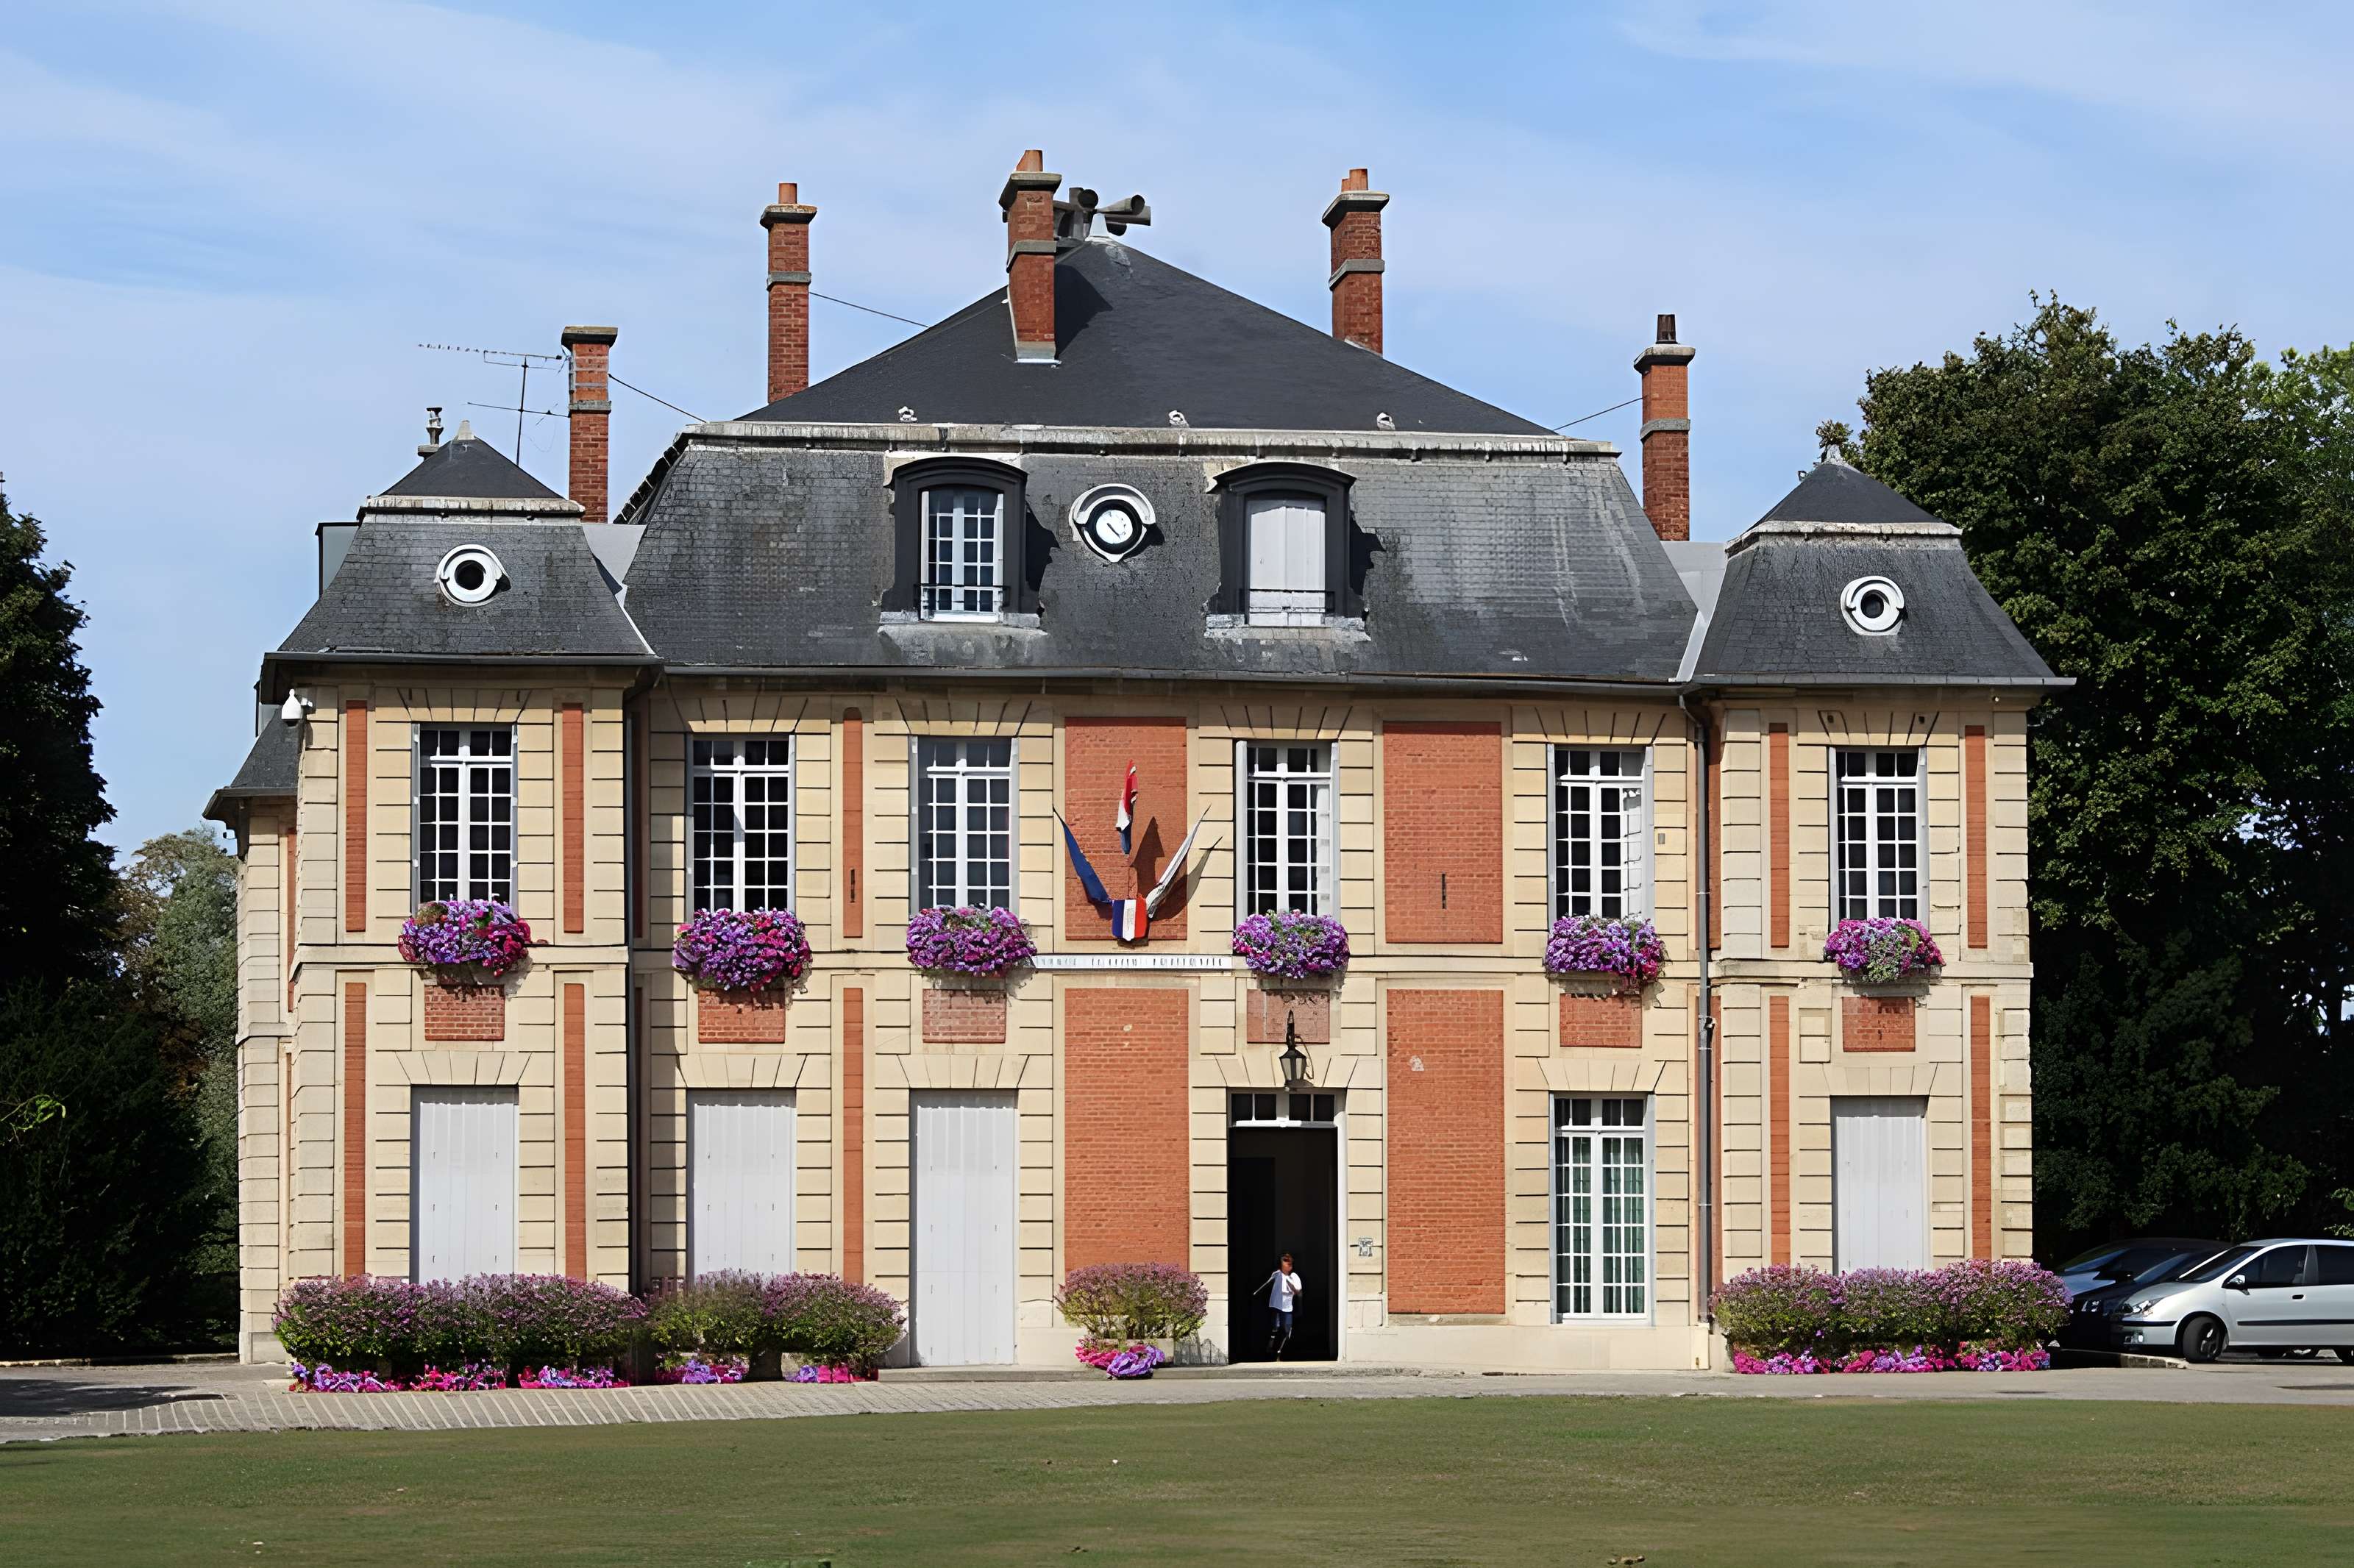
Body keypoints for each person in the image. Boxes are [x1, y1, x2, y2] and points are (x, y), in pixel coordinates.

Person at [1261, 1252, 1304, 1358]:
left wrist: (1300, 1307)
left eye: (1290, 1261)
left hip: (1288, 1307)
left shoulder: (1294, 1277)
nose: (1288, 1263)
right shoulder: (1276, 1274)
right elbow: (1266, 1286)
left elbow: (1299, 1293)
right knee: (1275, 1327)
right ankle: (1271, 1347)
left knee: (1287, 1330)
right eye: (1285, 1260)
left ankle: (1279, 1352)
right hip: (1276, 1306)